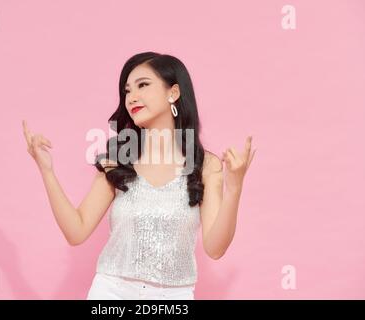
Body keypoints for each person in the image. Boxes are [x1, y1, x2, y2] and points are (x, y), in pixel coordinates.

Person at [22, 52, 256, 300]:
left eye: (143, 85)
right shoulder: (118, 160)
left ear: (173, 93)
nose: (132, 97)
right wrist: (46, 169)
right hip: (112, 293)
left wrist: (235, 189)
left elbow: (215, 248)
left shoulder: (206, 165)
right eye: (127, 91)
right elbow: (76, 231)